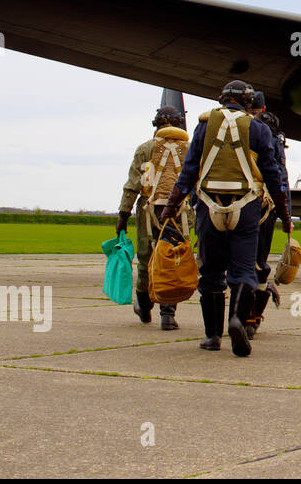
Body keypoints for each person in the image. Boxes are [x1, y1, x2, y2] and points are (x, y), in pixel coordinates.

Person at [161, 81, 290, 357]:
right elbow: (273, 176)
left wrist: (171, 206)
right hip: (246, 209)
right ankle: (237, 320)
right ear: (247, 101)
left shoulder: (203, 126)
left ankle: (212, 337)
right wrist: (285, 213)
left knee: (210, 273)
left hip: (209, 208)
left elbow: (189, 171)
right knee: (244, 271)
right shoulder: (259, 129)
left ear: (222, 100)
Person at [116, 105, 191, 330]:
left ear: (156, 123)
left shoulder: (144, 148)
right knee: (173, 259)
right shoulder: (190, 149)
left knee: (146, 257)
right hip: (181, 212)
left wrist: (122, 215)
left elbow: (132, 186)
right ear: (179, 124)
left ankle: (145, 305)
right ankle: (168, 314)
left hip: (149, 211)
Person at [245, 94, 288, 338]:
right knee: (259, 263)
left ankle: (233, 318)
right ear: (263, 108)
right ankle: (252, 317)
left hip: (228, 204)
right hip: (264, 207)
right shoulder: (271, 134)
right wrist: (285, 213)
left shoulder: (232, 129)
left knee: (234, 263)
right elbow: (280, 175)